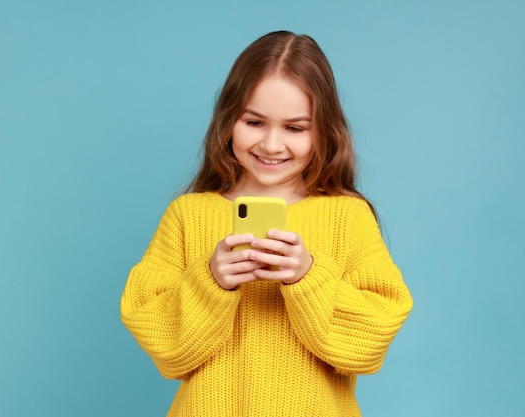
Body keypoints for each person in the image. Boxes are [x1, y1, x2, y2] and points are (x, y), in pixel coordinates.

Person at [120, 30, 413, 416]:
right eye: (255, 122)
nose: (272, 145)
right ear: (228, 120)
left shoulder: (348, 216)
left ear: (323, 131)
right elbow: (164, 345)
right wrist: (210, 281)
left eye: (294, 128)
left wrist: (309, 278)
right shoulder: (188, 216)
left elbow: (370, 342)